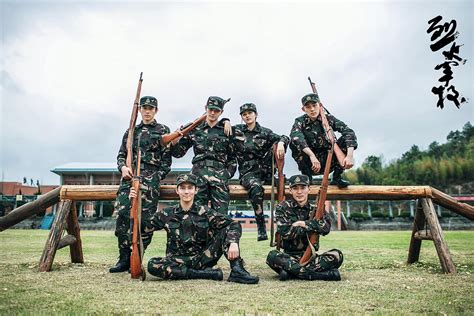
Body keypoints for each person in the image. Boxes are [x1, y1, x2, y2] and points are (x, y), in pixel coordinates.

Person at [142, 174, 259, 284]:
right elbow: (143, 226)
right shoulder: (166, 214)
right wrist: (136, 201)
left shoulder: (205, 212)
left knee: (225, 230)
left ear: (196, 190)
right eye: (182, 188)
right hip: (177, 261)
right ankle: (204, 274)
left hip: (202, 259)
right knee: (152, 265)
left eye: (190, 188)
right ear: (177, 190)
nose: (186, 191)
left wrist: (233, 242)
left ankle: (237, 270)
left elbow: (233, 224)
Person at [109, 96, 172, 273]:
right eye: (144, 107)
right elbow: (121, 155)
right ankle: (123, 258)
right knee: (122, 217)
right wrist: (122, 168)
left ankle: (137, 257)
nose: (147, 111)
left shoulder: (162, 130)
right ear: (139, 110)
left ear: (156, 111)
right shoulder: (130, 131)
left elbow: (166, 160)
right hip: (129, 180)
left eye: (151, 108)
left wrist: (156, 177)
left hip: (150, 182)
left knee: (146, 221)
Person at [266, 174, 343, 281]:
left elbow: (326, 228)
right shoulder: (282, 207)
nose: (299, 192)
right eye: (295, 188)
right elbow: (286, 232)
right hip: (289, 257)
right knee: (272, 256)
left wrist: (303, 224)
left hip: (311, 258)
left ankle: (291, 272)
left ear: (309, 189)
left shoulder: (317, 209)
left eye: (303, 188)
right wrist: (314, 226)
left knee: (337, 255)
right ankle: (319, 275)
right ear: (290, 190)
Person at [232, 103, 289, 241]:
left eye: (250, 113)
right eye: (244, 114)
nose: (247, 116)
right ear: (242, 117)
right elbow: (219, 127)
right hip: (248, 173)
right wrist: (225, 121)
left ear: (256, 114)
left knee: (287, 187)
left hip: (266, 172)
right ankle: (261, 226)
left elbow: (284, 137)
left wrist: (281, 143)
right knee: (256, 188)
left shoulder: (265, 132)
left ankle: (285, 226)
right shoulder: (237, 131)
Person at [171, 96, 236, 215]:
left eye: (216, 110)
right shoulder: (195, 129)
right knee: (197, 215)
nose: (212, 113)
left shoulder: (226, 130)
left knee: (220, 216)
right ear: (205, 108)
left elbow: (233, 158)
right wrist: (175, 140)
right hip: (198, 175)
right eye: (210, 109)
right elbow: (178, 153)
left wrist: (226, 175)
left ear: (221, 112)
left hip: (219, 176)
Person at [289, 93, 357, 187]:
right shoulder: (300, 121)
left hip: (328, 160)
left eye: (314, 105)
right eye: (308, 107)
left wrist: (350, 156)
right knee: (293, 143)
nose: (312, 109)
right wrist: (311, 155)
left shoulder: (329, 118)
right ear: (303, 109)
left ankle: (337, 177)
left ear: (320, 105)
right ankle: (307, 178)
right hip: (310, 164)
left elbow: (349, 132)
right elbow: (295, 136)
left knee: (345, 140)